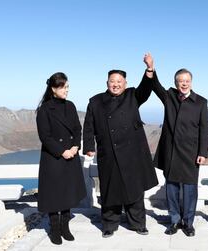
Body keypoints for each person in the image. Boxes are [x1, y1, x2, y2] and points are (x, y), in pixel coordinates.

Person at [82, 55, 158, 238]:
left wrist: (149, 69)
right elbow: (89, 125)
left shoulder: (133, 95)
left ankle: (138, 224)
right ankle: (109, 225)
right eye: (112, 81)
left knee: (134, 190)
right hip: (108, 152)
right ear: (107, 82)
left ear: (125, 83)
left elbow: (146, 88)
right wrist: (89, 146)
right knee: (109, 190)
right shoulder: (96, 101)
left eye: (119, 81)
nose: (115, 84)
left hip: (132, 153)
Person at [145, 53, 208, 237]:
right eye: (181, 81)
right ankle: (174, 220)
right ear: (176, 83)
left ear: (191, 82)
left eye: (187, 80)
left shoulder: (200, 102)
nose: (184, 83)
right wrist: (150, 68)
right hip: (171, 152)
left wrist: (202, 152)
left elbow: (204, 130)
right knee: (171, 189)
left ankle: (188, 223)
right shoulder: (170, 97)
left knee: (190, 190)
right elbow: (155, 85)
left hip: (191, 153)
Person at [36, 72, 87, 245]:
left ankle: (65, 227)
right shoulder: (44, 109)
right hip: (53, 157)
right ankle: (55, 228)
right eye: (63, 87)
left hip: (70, 155)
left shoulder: (70, 106)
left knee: (68, 192)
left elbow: (76, 128)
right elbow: (45, 137)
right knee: (53, 195)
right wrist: (61, 151)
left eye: (67, 87)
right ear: (53, 89)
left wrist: (74, 146)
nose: (67, 90)